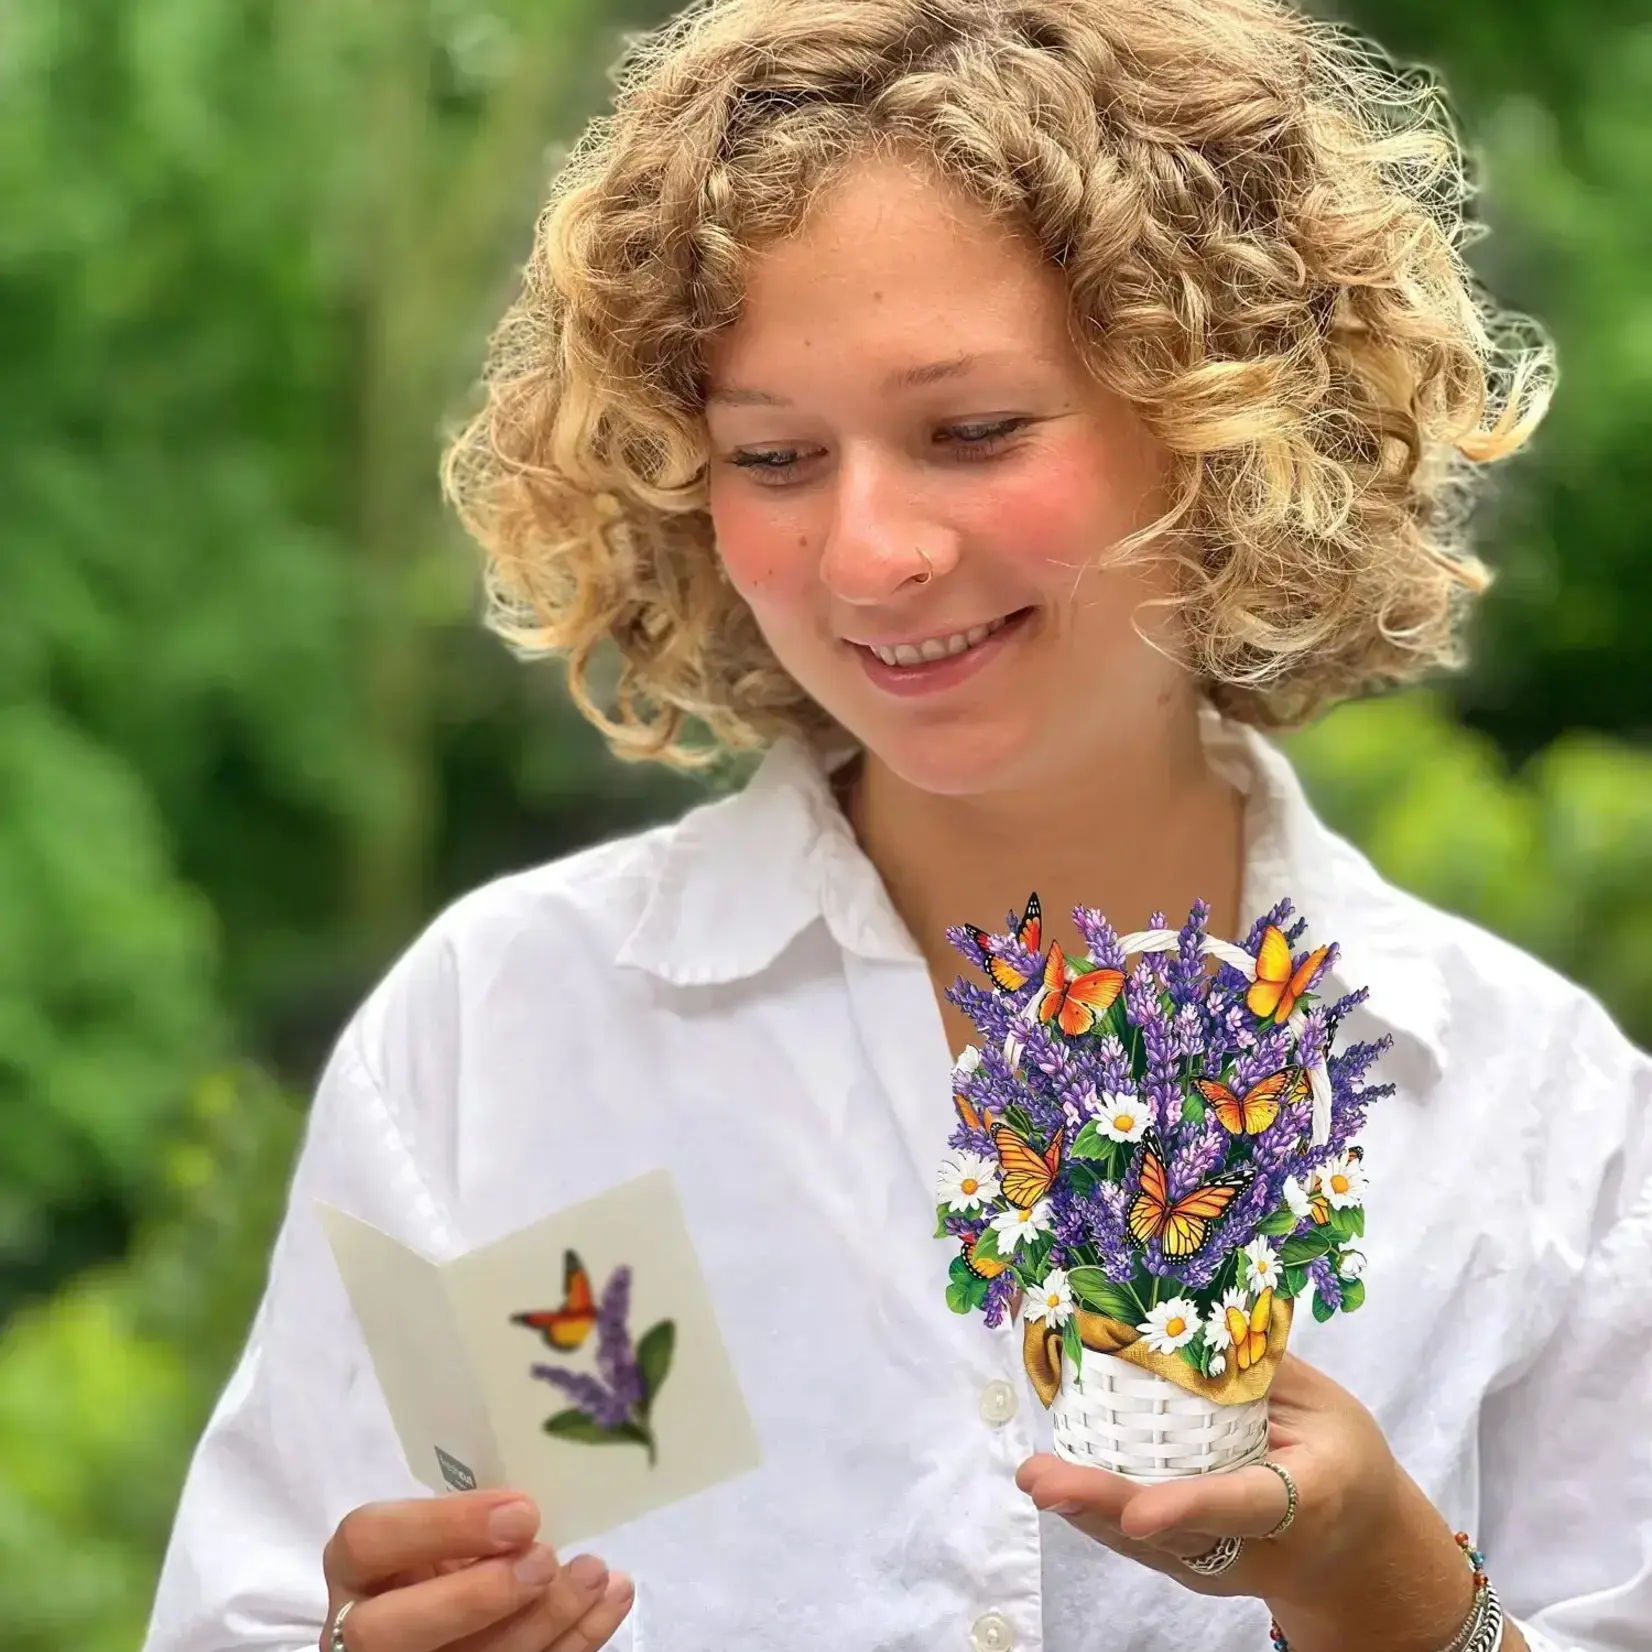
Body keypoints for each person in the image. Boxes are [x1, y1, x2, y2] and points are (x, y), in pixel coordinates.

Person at [143, 1, 1651, 1650]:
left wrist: (1399, 1602)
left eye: (973, 431)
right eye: (775, 455)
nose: (870, 554)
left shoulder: (1542, 1123)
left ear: (1228, 419)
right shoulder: (503, 1038)